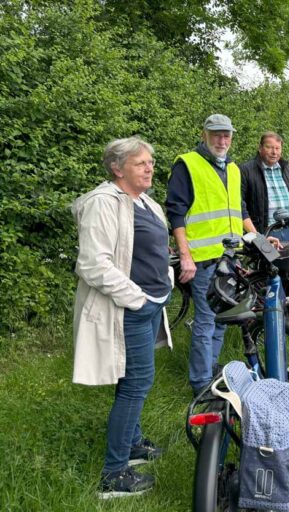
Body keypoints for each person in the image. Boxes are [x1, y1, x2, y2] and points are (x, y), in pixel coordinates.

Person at [73, 136, 172, 498]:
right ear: (118, 168)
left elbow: (156, 250)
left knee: (132, 379)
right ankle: (113, 475)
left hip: (150, 304)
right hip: (128, 308)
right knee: (136, 384)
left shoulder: (146, 202)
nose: (149, 168)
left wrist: (166, 282)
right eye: (140, 163)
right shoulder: (103, 203)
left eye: (150, 162)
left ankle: (132, 444)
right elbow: (91, 264)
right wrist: (138, 298)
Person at [166, 114, 257, 396]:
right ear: (204, 134)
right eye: (217, 134)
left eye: (227, 135)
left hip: (230, 257)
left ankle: (211, 368)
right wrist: (185, 256)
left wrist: (257, 237)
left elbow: (239, 210)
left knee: (221, 319)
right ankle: (201, 384)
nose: (222, 140)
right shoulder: (187, 164)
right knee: (206, 322)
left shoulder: (233, 168)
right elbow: (176, 213)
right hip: (203, 259)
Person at [240, 132, 289, 242]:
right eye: (269, 147)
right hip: (264, 231)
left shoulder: (286, 169)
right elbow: (240, 204)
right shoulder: (246, 170)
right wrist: (255, 234)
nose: (274, 152)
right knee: (269, 259)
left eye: (277, 148)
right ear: (260, 148)